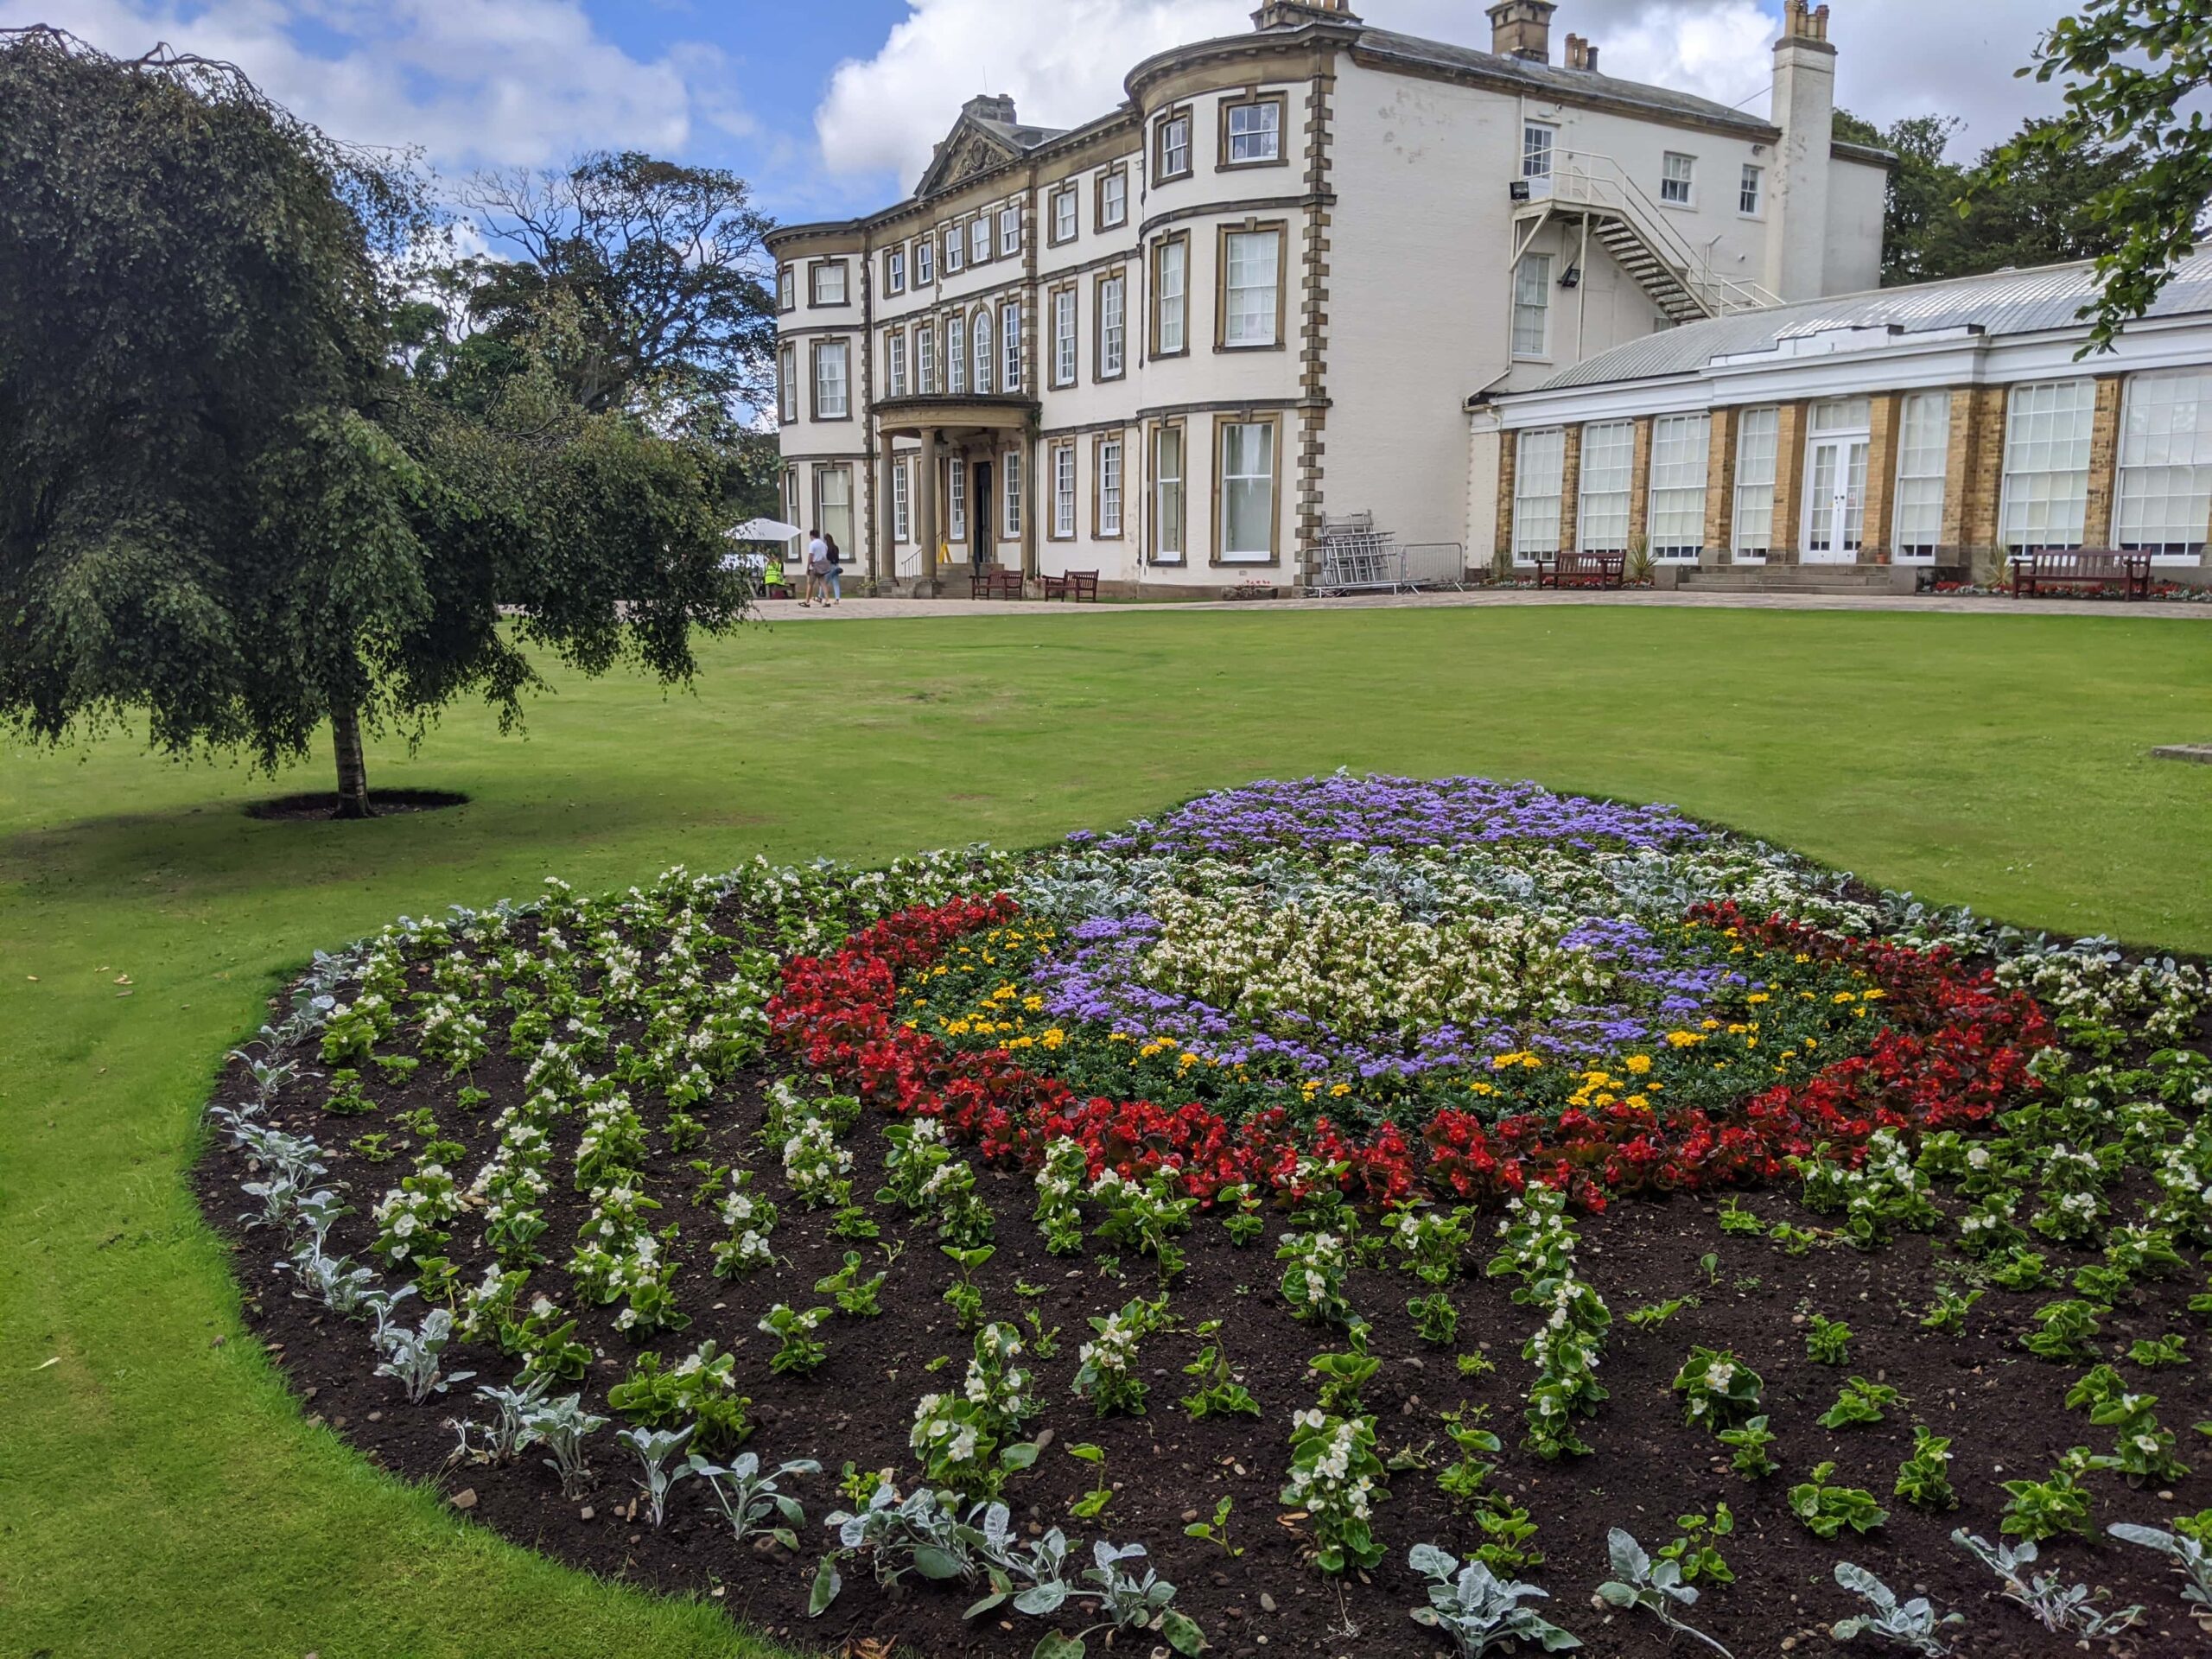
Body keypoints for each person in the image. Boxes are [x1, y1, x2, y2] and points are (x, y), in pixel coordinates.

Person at [804, 527, 829, 606]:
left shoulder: (812, 544)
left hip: (815, 565)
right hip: (823, 565)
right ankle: (827, 601)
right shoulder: (823, 544)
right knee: (823, 583)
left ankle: (807, 601)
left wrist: (807, 568)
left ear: (812, 536)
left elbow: (810, 555)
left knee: (810, 583)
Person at [822, 531, 843, 605]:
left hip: (829, 566)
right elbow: (837, 558)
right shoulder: (836, 547)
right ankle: (837, 599)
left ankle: (820, 596)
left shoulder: (826, 548)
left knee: (824, 582)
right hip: (836, 566)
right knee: (836, 583)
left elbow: (826, 558)